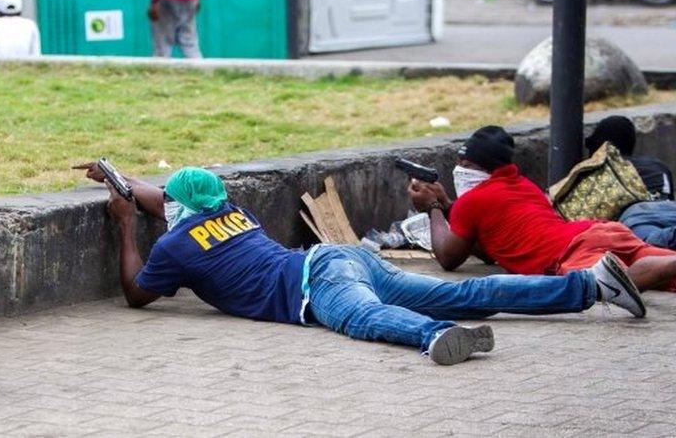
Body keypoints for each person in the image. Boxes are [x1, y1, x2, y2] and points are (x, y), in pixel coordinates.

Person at [80, 165, 643, 366]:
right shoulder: (229, 208)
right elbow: (168, 195)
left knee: (363, 320)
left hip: (315, 283)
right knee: (467, 291)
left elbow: (136, 293)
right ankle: (588, 286)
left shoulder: (176, 247)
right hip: (341, 257)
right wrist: (119, 177)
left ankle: (437, 338)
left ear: (173, 209)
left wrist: (126, 224)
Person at [409, 125, 676, 295]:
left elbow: (448, 258)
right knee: (661, 274)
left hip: (570, 251)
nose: (460, 169)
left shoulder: (473, 200)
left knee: (612, 284)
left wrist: (432, 207)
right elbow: (491, 250)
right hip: (602, 231)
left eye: (464, 163)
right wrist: (446, 208)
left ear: (477, 167)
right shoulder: (524, 185)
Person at [586, 115, 676, 249]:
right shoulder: (657, 165)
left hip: (636, 214)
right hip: (669, 207)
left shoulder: (599, 173)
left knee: (649, 245)